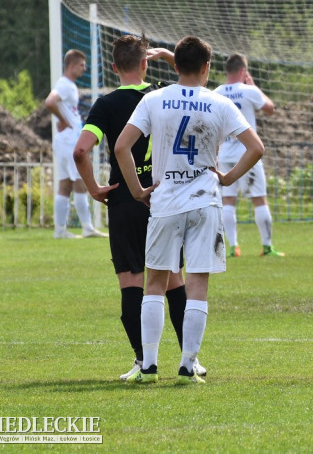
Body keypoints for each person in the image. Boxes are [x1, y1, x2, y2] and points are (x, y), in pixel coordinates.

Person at [116, 35, 265, 384]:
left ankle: (149, 365)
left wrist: (138, 191)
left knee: (154, 282)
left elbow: (122, 146)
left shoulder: (154, 99)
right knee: (197, 282)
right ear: (207, 68)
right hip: (205, 202)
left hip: (165, 201)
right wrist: (227, 178)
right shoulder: (219, 104)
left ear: (175, 66)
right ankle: (188, 364)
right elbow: (256, 147)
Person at [72, 36, 203, 381]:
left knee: (131, 282)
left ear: (114, 67)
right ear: (147, 63)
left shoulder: (106, 104)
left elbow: (80, 151)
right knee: (173, 279)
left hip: (125, 200)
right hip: (162, 197)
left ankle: (142, 359)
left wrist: (95, 188)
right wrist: (171, 56)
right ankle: (190, 358)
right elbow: (195, 75)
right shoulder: (161, 94)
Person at [214, 54, 281, 257]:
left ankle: (234, 247)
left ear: (227, 71)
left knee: (228, 201)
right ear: (244, 71)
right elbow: (270, 109)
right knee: (259, 199)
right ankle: (267, 247)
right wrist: (254, 86)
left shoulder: (216, 93)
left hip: (224, 154)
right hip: (248, 154)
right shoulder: (249, 91)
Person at [45, 49, 105, 239]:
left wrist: (63, 119)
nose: (84, 68)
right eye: (81, 65)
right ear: (71, 66)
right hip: (69, 139)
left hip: (64, 140)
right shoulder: (65, 85)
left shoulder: (67, 85)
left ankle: (60, 230)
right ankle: (87, 227)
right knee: (80, 181)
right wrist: (64, 120)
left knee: (65, 184)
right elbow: (50, 102)